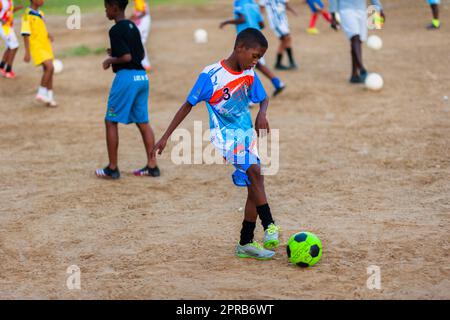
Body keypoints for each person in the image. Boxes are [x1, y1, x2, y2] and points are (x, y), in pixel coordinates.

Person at [153, 28, 281, 260]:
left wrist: (262, 113)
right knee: (254, 171)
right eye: (254, 56)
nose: (256, 62)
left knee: (256, 180)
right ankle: (270, 224)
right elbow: (187, 105)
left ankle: (245, 242)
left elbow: (263, 97)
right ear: (239, 48)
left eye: (260, 58)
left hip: (246, 136)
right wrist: (165, 136)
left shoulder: (249, 73)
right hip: (225, 136)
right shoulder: (211, 75)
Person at [96, 0, 160, 180]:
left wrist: (110, 60)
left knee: (111, 121)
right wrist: (114, 53)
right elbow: (138, 55)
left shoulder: (115, 30)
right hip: (142, 78)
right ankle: (152, 165)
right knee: (143, 121)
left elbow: (126, 56)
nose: (105, 11)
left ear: (114, 8)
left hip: (127, 79)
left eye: (106, 7)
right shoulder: (132, 25)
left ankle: (112, 168)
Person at [220, 0, 286, 96]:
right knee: (259, 65)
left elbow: (242, 19)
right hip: (257, 39)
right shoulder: (254, 4)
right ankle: (278, 83)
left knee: (242, 68)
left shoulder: (239, 3)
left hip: (246, 41)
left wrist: (226, 22)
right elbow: (262, 24)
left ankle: (249, 98)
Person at [329, 0, 385, 83]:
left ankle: (354, 75)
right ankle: (361, 68)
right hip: (346, 9)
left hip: (362, 10)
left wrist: (379, 8)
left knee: (358, 42)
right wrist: (333, 16)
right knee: (355, 37)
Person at [21, 0, 57, 107]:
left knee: (50, 69)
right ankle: (41, 93)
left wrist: (48, 34)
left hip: (45, 45)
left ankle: (49, 98)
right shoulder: (27, 15)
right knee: (49, 67)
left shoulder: (41, 13)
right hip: (36, 47)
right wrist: (27, 52)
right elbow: (25, 34)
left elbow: (42, 28)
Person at [259, 0, 298, 70]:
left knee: (285, 40)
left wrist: (293, 10)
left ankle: (281, 63)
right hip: (276, 22)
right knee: (286, 38)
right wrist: (260, 20)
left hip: (283, 20)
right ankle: (289, 62)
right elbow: (261, 7)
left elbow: (285, 4)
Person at [0, 0, 23, 79]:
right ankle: (8, 71)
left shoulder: (9, 0)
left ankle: (2, 66)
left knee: (10, 46)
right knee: (14, 46)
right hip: (3, 27)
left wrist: (17, 8)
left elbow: (8, 12)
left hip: (9, 25)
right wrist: (1, 20)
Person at [130, 0, 152, 71]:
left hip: (143, 22)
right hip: (142, 21)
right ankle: (144, 64)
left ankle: (145, 65)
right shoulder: (137, 1)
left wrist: (134, 17)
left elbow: (144, 12)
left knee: (140, 43)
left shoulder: (138, 0)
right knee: (139, 43)